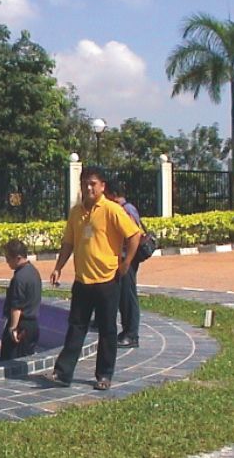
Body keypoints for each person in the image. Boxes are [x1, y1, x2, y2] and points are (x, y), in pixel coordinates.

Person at [47, 166, 140, 390]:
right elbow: (68, 242)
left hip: (108, 280)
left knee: (108, 330)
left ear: (102, 186)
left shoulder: (111, 210)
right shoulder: (76, 212)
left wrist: (126, 264)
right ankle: (62, 372)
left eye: (93, 184)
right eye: (85, 183)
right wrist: (58, 266)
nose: (89, 188)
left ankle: (104, 375)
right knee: (76, 327)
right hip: (83, 281)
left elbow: (135, 234)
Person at [104, 180, 143, 348]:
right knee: (123, 295)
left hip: (128, 259)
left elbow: (135, 235)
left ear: (112, 194)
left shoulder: (124, 210)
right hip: (125, 258)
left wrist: (127, 261)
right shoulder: (128, 208)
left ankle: (131, 334)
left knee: (128, 297)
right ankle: (127, 330)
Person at [0, 239, 42, 361]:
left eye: (8, 258)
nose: (7, 262)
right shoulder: (33, 272)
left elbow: (17, 306)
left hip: (21, 326)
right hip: (32, 325)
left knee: (11, 362)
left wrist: (13, 328)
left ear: (18, 258)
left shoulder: (19, 278)